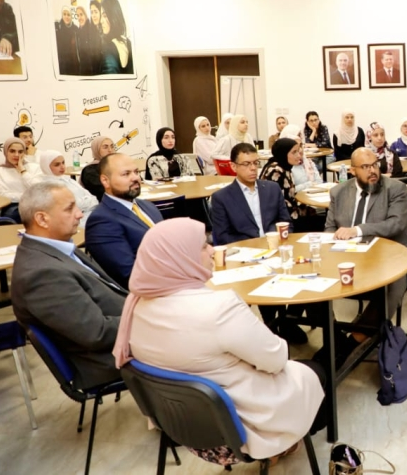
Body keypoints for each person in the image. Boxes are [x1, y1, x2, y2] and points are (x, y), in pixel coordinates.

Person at [112, 218, 325, 461]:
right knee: (315, 371)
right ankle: (285, 444)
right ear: (182, 258)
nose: (213, 250)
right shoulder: (219, 308)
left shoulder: (135, 306)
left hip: (180, 425)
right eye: (203, 246)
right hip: (237, 431)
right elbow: (276, 359)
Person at [11, 181, 127, 390]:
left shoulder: (56, 249)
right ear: (42, 219)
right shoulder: (42, 274)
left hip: (124, 332)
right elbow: (96, 334)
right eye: (69, 209)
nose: (80, 214)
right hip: (110, 358)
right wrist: (147, 317)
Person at [320, 148, 407, 366]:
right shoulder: (338, 192)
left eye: (375, 165)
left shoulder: (395, 188)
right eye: (365, 167)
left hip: (386, 255)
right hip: (347, 256)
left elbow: (396, 224)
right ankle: (334, 336)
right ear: (352, 171)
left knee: (394, 283)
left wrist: (357, 230)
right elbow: (329, 229)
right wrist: (333, 245)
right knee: (312, 275)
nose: (373, 171)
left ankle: (353, 341)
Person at [210, 143, 299, 343]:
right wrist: (256, 248)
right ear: (234, 166)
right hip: (244, 258)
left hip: (276, 251)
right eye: (246, 164)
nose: (252, 169)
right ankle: (271, 328)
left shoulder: (272, 189)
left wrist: (276, 240)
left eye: (255, 163)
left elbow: (286, 222)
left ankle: (286, 322)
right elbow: (223, 237)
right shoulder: (221, 198)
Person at [85, 153, 164, 289]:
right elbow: (129, 274)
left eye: (136, 172)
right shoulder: (101, 221)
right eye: (126, 174)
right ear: (105, 181)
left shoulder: (148, 206)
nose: (135, 178)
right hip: (150, 291)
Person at [259, 138, 325, 233]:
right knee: (323, 223)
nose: (298, 155)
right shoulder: (276, 171)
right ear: (283, 153)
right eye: (294, 152)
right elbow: (278, 205)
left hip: (291, 213)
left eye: (298, 151)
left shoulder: (285, 167)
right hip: (283, 222)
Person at [38, 150, 99, 224]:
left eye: (63, 163)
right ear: (46, 167)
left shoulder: (67, 179)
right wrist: (86, 201)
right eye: (57, 165)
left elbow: (94, 199)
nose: (62, 167)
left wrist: (84, 202)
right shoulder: (48, 186)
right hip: (74, 222)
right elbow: (72, 206)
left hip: (90, 214)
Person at [0, 137, 39, 222]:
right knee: (16, 214)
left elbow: (38, 189)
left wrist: (23, 171)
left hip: (37, 204)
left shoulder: (34, 167)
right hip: (13, 206)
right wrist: (30, 196)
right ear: (6, 152)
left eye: (20, 151)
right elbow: (3, 195)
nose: (16, 155)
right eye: (12, 151)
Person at [99, 0, 133, 74]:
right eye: (101, 16)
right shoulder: (128, 42)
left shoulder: (108, 47)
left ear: (113, 16)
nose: (101, 21)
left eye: (105, 16)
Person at [79, 136, 116, 201]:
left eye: (112, 146)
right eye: (105, 147)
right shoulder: (90, 170)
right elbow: (103, 191)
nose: (110, 150)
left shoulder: (116, 165)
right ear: (96, 150)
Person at [75, 5, 101, 75]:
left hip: (92, 70)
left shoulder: (92, 29)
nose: (79, 17)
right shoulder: (78, 32)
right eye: (78, 15)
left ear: (85, 15)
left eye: (81, 14)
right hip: (83, 68)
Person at [55, 5, 80, 75]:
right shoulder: (58, 28)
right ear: (62, 15)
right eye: (64, 14)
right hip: (62, 64)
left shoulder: (75, 29)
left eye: (68, 15)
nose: (66, 17)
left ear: (71, 16)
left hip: (73, 63)